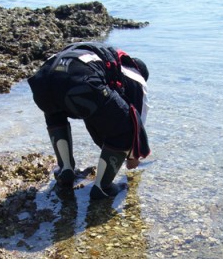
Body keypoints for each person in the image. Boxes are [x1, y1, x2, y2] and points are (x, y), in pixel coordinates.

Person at [27, 42, 150, 200]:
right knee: (126, 129)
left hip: (43, 80)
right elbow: (136, 123)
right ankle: (103, 188)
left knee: (54, 110)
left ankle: (65, 170)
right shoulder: (137, 77)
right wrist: (133, 156)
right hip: (79, 83)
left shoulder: (100, 56)